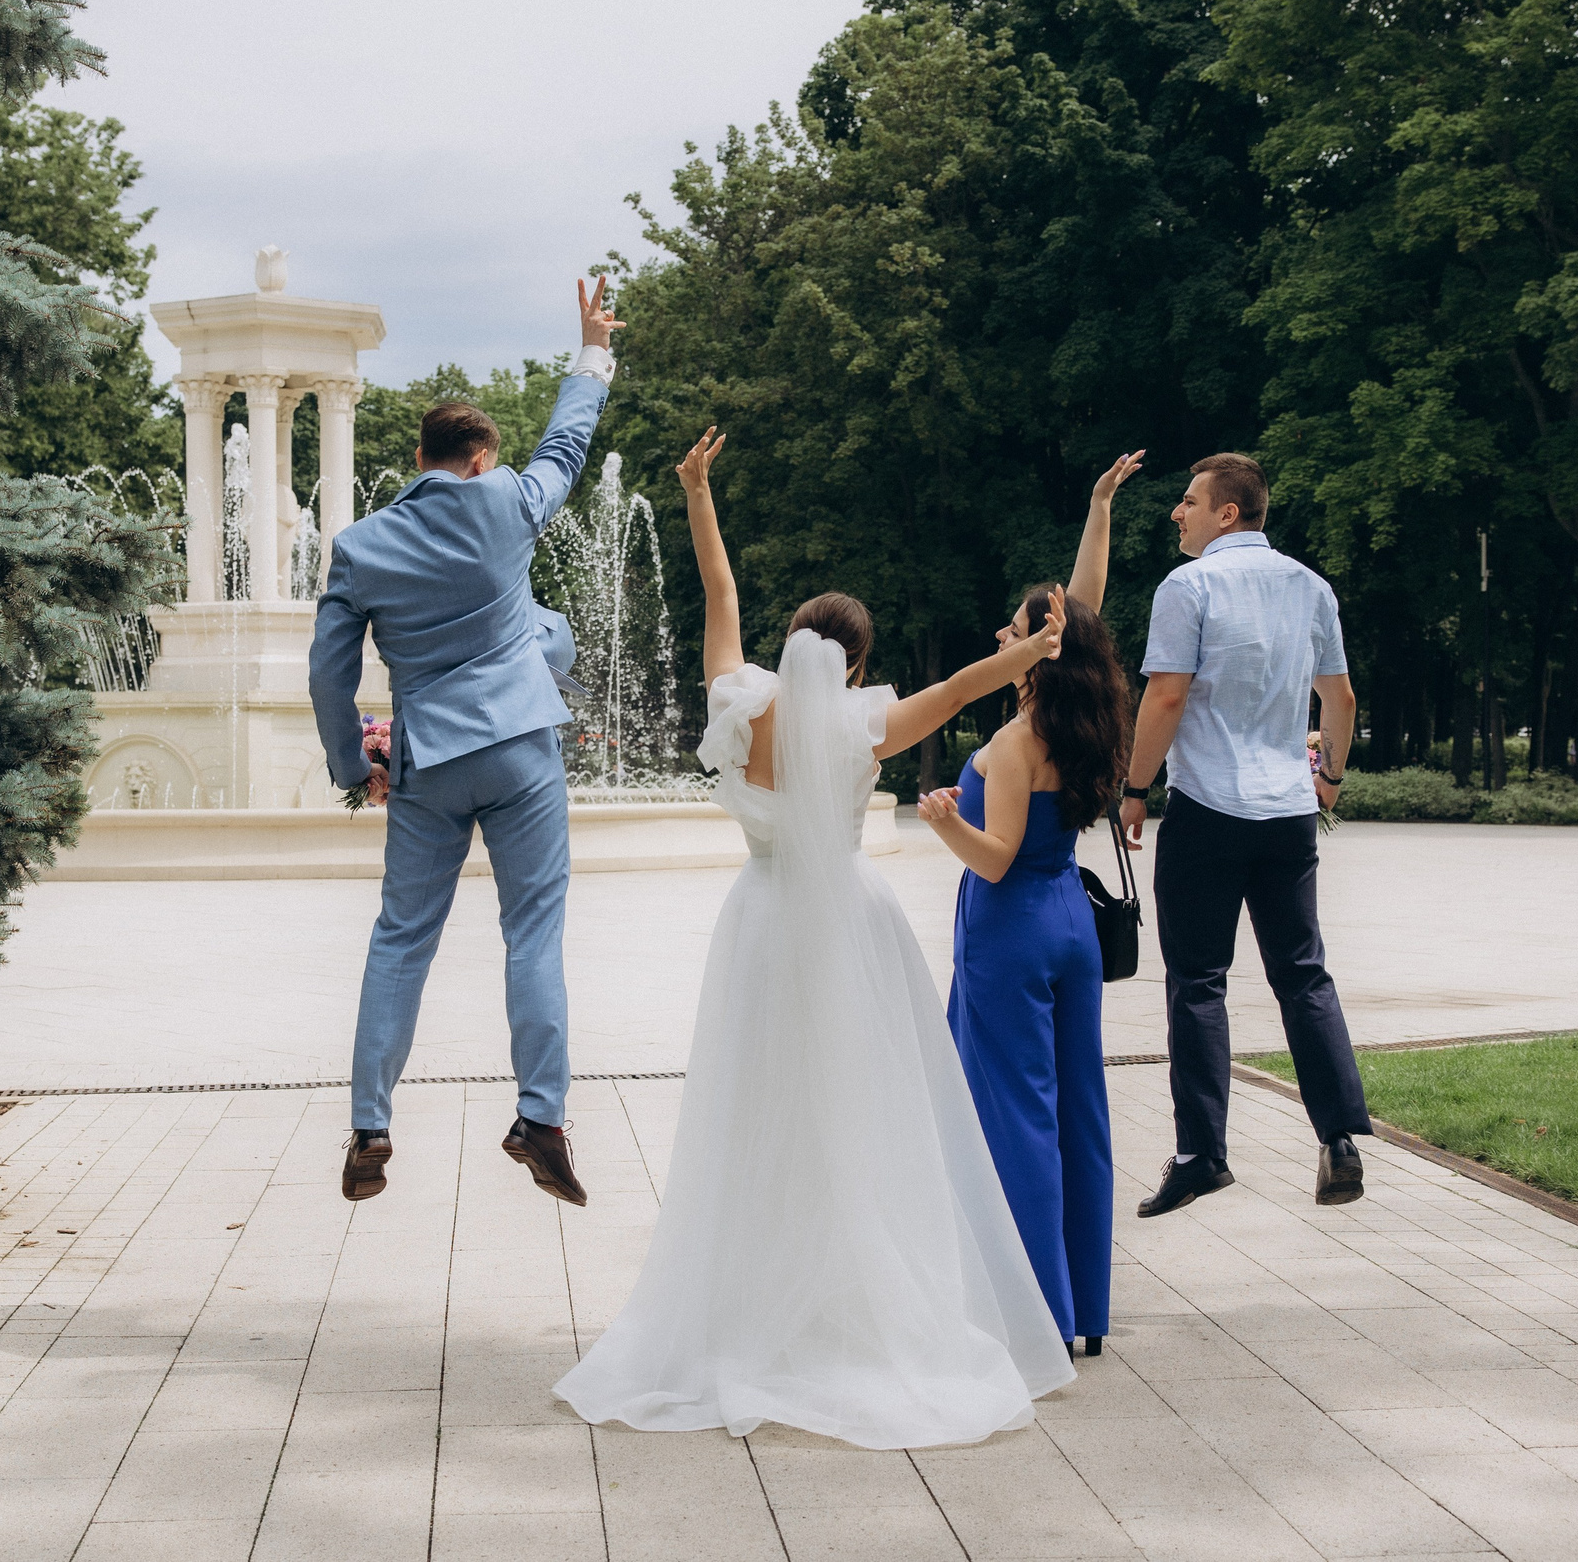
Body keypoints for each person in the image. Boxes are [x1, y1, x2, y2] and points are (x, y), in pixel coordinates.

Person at [554, 427, 1075, 1449]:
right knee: (868, 1110)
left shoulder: (740, 704)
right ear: (859, 662)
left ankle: (750, 1303)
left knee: (759, 1109)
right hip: (854, 923)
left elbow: (717, 599)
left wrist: (698, 495)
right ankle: (863, 1296)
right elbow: (966, 690)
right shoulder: (862, 724)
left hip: (760, 924)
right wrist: (1027, 653)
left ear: (790, 645)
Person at [308, 277, 620, 1207]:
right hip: (523, 744)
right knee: (533, 932)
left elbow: (328, 675)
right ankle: (542, 1116)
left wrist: (352, 763)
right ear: (481, 459)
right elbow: (568, 442)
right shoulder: (509, 503)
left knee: (400, 939)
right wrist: (591, 347)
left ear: (421, 458)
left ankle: (370, 1124)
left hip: (430, 759)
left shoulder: (361, 545)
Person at [916, 453, 1142, 1358]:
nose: (1005, 634)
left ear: (1037, 646)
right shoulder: (1093, 722)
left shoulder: (1015, 741)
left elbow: (997, 858)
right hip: (1072, 931)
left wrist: (942, 822)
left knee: (1014, 1114)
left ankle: (1029, 1313)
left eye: (1016, 629)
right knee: (1078, 1110)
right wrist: (1096, 507)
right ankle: (1083, 1308)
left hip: (1010, 933)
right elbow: (1079, 604)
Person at [1120, 451, 1373, 1216]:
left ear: (1226, 512)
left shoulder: (1188, 586)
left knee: (1198, 980)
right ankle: (1338, 1138)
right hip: (1289, 812)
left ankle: (1202, 1152)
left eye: (1188, 500)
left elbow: (1166, 695)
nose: (1177, 513)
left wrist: (1134, 789)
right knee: (1303, 973)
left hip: (1208, 807)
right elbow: (1342, 697)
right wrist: (1326, 777)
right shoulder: (1311, 586)